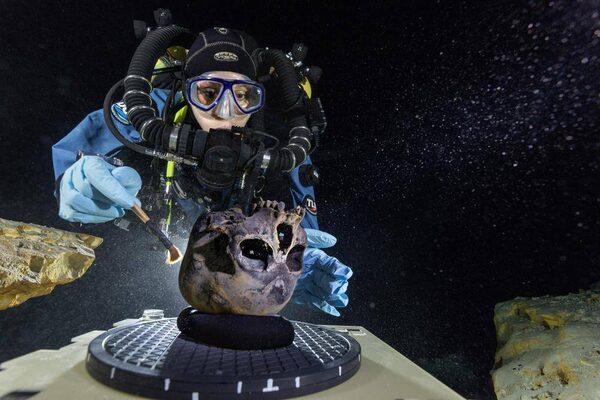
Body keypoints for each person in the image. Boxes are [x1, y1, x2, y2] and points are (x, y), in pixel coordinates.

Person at [52, 27, 352, 317]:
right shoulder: (159, 109)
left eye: (242, 95)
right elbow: (90, 135)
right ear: (187, 91)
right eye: (208, 93)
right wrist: (70, 178)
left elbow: (301, 199)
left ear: (255, 98)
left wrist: (294, 255)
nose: (225, 111)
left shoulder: (280, 138)